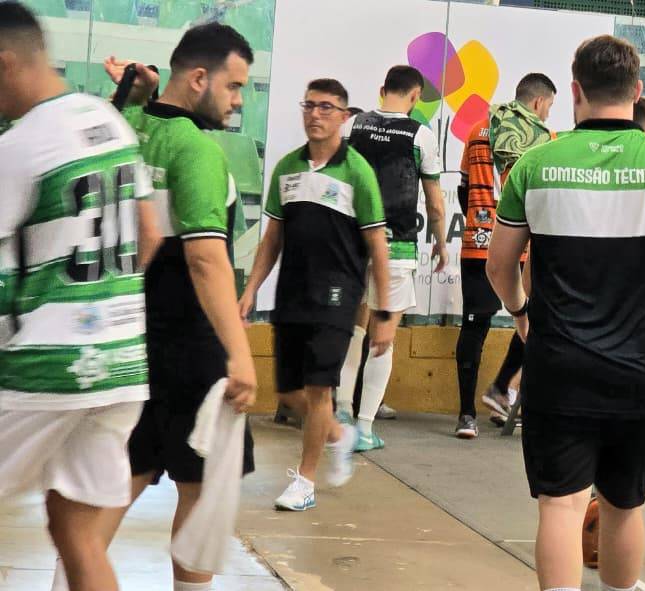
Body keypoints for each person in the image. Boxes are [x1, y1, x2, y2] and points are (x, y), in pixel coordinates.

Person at [487, 35, 645, 591]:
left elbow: (498, 266)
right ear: (638, 91)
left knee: (560, 505)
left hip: (560, 370)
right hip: (641, 374)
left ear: (575, 90)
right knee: (625, 505)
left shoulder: (535, 166)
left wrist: (521, 313)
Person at [91, 23, 258, 591]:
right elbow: (206, 261)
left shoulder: (121, 128)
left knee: (115, 483)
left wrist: (132, 94)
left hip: (126, 342)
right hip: (193, 349)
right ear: (199, 78)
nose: (237, 102)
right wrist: (240, 353)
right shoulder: (198, 152)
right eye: (234, 87)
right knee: (204, 488)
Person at [0, 4, 161, 590]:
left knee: (74, 528)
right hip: (120, 366)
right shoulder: (108, 120)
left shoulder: (19, 147)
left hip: (48, 367)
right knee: (76, 530)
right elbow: (150, 234)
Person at [239, 79, 393, 511]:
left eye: (326, 108)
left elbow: (378, 246)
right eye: (309, 105)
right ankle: (340, 436)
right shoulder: (287, 168)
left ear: (344, 117)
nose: (315, 114)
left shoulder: (357, 171)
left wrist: (383, 311)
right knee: (288, 394)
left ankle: (304, 482)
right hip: (292, 294)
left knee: (320, 388)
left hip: (338, 297)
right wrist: (250, 289)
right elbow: (272, 238)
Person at [336, 65, 447, 451]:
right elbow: (434, 200)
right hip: (397, 249)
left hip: (352, 245)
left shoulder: (352, 127)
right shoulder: (421, 135)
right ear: (415, 97)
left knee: (356, 330)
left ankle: (340, 413)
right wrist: (441, 242)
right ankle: (364, 427)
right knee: (385, 338)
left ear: (383, 89)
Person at [452, 72, 558, 438]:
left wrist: (480, 222)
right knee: (528, 320)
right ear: (539, 103)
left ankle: (467, 415)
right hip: (523, 247)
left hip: (478, 243)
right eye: (548, 108)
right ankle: (499, 387)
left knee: (474, 324)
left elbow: (464, 191)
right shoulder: (545, 142)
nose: (546, 116)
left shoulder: (477, 132)